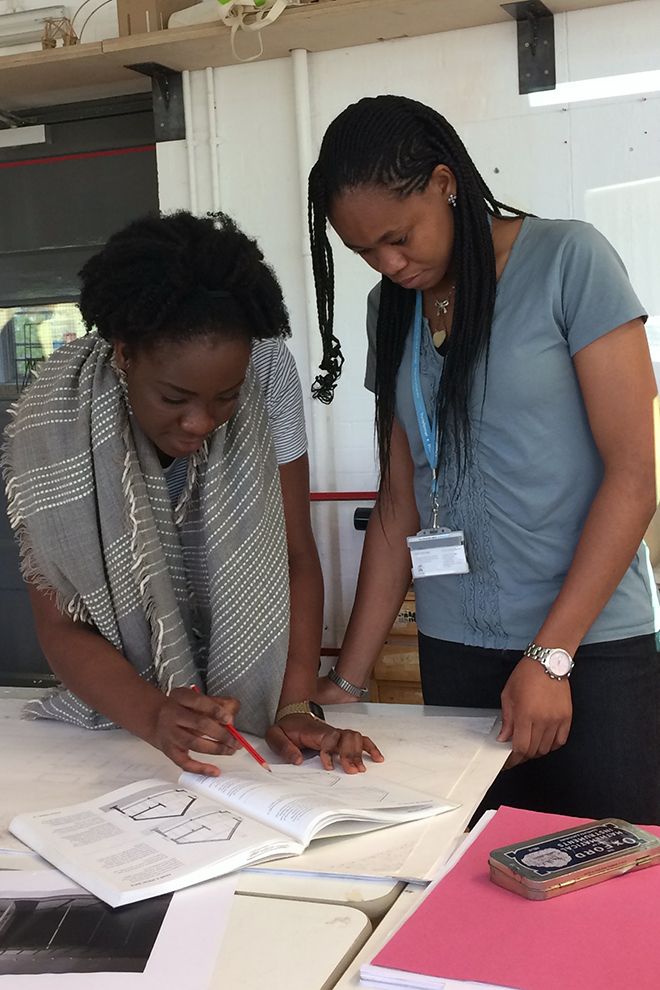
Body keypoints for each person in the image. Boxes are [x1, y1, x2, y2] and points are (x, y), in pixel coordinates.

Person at [308, 94, 660, 823]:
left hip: (590, 649)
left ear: (445, 183)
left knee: (616, 878)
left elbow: (634, 477)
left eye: (398, 238)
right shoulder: (391, 308)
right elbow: (400, 505)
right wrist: (346, 679)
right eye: (365, 252)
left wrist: (551, 656)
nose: (388, 263)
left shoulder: (569, 259)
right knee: (479, 873)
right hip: (457, 650)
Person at [4, 210, 382, 776]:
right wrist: (153, 713)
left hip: (248, 728)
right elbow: (60, 623)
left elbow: (296, 558)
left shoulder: (265, 369)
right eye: (175, 398)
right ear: (124, 355)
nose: (201, 421)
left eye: (224, 397)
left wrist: (295, 704)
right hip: (117, 724)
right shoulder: (53, 420)